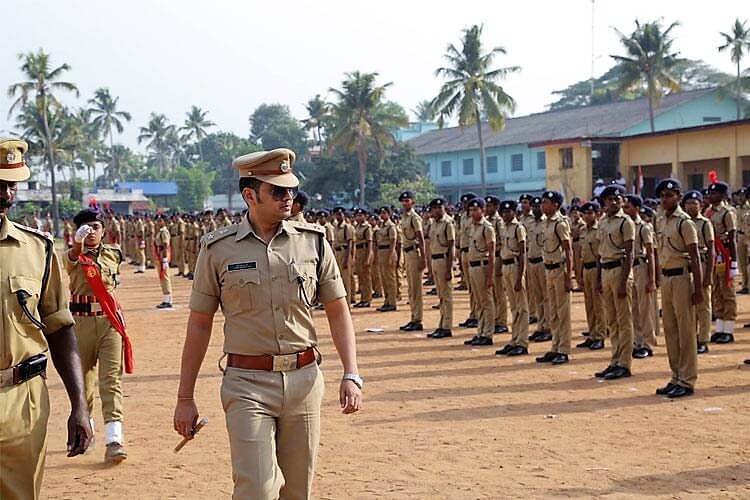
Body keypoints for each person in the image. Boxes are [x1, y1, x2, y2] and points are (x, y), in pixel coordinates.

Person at [173, 148, 362, 499]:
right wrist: (185, 397)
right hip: (247, 384)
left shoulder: (313, 243)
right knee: (256, 489)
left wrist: (351, 373)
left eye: (290, 189)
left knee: (297, 491)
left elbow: (338, 309)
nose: (288, 197)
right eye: (277, 191)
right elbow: (199, 324)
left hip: (304, 381)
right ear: (250, 195)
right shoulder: (218, 250)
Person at [0, 137, 92, 499]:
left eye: (12, 185)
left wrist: (79, 405)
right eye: (0, 183)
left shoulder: (38, 250)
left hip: (22, 400)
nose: (7, 195)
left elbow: (59, 327)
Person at [66, 208, 131, 464]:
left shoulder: (114, 253)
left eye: (95, 226)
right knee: (83, 381)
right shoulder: (74, 255)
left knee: (111, 380)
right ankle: (86, 429)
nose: (91, 231)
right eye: (86, 227)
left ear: (103, 229)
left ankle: (114, 439)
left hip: (109, 322)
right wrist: (77, 242)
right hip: (81, 323)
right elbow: (71, 258)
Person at [654, 178, 702, 398]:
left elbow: (695, 257)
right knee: (671, 330)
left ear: (679, 197)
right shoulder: (660, 220)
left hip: (682, 278)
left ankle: (687, 379)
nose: (665, 199)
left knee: (686, 331)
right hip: (666, 278)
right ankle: (676, 375)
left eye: (670, 195)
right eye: (663, 195)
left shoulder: (685, 222)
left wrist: (699, 288)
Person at [593, 185, 635, 380]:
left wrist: (624, 281)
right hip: (606, 270)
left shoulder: (625, 222)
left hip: (620, 271)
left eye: (616, 199)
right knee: (611, 320)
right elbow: (601, 252)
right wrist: (598, 279)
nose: (613, 202)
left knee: (623, 320)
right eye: (609, 199)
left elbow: (630, 253)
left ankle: (625, 363)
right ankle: (615, 359)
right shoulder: (602, 222)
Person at [536, 191, 573, 365]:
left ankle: (564, 349)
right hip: (549, 269)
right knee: (553, 312)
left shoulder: (560, 223)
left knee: (562, 311)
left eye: (546, 202)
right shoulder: (545, 223)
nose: (543, 205)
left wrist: (568, 276)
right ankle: (555, 346)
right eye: (542, 202)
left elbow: (568, 249)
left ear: (556, 205)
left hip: (560, 269)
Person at [494, 200, 530, 356]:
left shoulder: (518, 228)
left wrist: (520, 276)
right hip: (506, 266)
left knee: (522, 307)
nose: (506, 214)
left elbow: (522, 253)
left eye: (509, 212)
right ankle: (514, 339)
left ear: (515, 212)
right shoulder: (504, 228)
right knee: (514, 307)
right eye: (503, 212)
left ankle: (522, 342)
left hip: (516, 266)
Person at [624, 194, 657, 359]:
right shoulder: (624, 225)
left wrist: (652, 279)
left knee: (645, 309)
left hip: (641, 266)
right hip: (630, 268)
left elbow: (650, 253)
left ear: (637, 208)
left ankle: (647, 343)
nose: (625, 209)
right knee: (634, 308)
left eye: (628, 206)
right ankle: (637, 341)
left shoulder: (644, 227)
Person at [682, 191, 714, 354]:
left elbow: (711, 250)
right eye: (688, 203)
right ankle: (692, 337)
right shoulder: (683, 222)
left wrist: (708, 275)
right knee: (690, 303)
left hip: (701, 261)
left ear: (701, 205)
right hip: (686, 264)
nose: (690, 206)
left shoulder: (705, 223)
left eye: (694, 203)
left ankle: (703, 339)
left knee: (703, 304)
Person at [707, 181, 738, 344]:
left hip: (725, 254)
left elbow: (732, 238)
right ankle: (720, 327)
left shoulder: (728, 212)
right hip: (714, 254)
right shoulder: (708, 212)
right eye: (710, 193)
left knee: (728, 291)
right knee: (717, 291)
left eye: (715, 193)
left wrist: (734, 262)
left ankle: (729, 328)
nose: (711, 196)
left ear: (723, 195)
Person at [462, 197, 496, 346]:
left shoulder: (487, 227)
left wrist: (490, 276)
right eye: (471, 210)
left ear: (482, 210)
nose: (473, 212)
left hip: (483, 266)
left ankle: (487, 333)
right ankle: (480, 331)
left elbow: (492, 252)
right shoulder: (472, 227)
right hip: (473, 266)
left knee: (486, 301)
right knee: (479, 302)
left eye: (476, 209)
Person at [576, 201, 606, 350]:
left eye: (590, 213)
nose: (587, 216)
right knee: (589, 304)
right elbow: (582, 253)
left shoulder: (599, 230)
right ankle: (592, 333)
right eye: (585, 213)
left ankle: (600, 335)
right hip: (586, 269)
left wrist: (600, 276)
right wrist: (579, 274)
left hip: (596, 268)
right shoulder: (583, 230)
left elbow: (601, 254)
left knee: (598, 304)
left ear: (597, 214)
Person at [426, 197, 455, 339]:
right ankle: (442, 324)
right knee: (441, 296)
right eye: (435, 208)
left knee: (447, 296)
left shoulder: (447, 223)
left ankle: (447, 326)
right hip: (435, 259)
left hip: (444, 260)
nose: (437, 210)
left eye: (440, 207)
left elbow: (451, 247)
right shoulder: (433, 224)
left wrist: (449, 269)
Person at [398, 191, 427, 331]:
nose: (405, 203)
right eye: (403, 201)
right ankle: (413, 316)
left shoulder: (414, 218)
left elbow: (421, 239)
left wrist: (423, 258)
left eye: (407, 200)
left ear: (413, 202)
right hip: (407, 253)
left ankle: (418, 319)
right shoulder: (403, 217)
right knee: (410, 288)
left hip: (414, 252)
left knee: (416, 288)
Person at [526, 197, 551, 342]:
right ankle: (540, 325)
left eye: (538, 205)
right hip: (532, 261)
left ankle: (548, 327)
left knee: (546, 296)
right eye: (534, 206)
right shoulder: (529, 223)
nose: (536, 208)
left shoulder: (546, 223)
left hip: (543, 262)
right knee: (537, 297)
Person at [485, 196, 509, 334]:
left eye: (489, 206)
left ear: (495, 207)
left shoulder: (499, 222)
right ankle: (495, 318)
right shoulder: (488, 221)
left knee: (499, 291)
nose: (487, 208)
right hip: (492, 257)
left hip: (499, 256)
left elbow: (503, 240)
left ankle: (502, 321)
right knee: (493, 290)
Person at [458, 193, 480, 328]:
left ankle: (477, 314)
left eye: (469, 203)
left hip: (473, 253)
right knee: (470, 287)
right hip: (464, 252)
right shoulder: (463, 217)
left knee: (476, 287)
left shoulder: (475, 219)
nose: (466, 205)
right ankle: (473, 313)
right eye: (465, 203)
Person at [374, 206, 398, 312]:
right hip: (381, 252)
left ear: (389, 214)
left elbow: (393, 241)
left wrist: (391, 255)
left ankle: (392, 302)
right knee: (383, 278)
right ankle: (387, 300)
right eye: (381, 213)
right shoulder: (382, 226)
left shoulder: (390, 226)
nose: (382, 215)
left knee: (390, 279)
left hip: (388, 251)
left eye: (384, 213)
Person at [332, 207, 354, 305]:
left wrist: (346, 259)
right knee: (338, 279)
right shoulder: (335, 227)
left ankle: (347, 304)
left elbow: (349, 244)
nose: (338, 216)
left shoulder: (347, 227)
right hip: (337, 253)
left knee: (346, 281)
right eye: (337, 214)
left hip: (344, 253)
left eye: (340, 214)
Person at [352, 208, 374, 308]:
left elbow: (370, 243)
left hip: (365, 251)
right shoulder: (357, 227)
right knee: (361, 277)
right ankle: (362, 298)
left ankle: (367, 299)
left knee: (366, 277)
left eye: (361, 215)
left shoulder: (367, 227)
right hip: (358, 252)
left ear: (365, 216)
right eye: (357, 216)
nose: (358, 217)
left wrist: (368, 257)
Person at [155, 216, 173, 309]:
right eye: (158, 220)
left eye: (160, 220)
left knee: (165, 277)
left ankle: (168, 299)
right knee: (162, 277)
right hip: (160, 255)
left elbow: (165, 245)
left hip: (162, 255)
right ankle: (166, 298)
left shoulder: (164, 232)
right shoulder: (160, 231)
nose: (158, 222)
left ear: (164, 221)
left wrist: (165, 258)